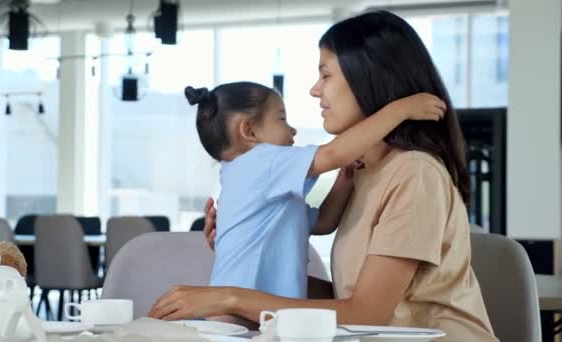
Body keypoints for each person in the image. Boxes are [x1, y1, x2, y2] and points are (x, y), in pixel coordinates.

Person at [150, 10, 499, 342]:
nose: (315, 90)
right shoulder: (361, 176)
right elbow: (349, 302)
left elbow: (366, 314)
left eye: (326, 75)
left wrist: (229, 297)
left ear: (369, 77)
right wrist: (249, 254)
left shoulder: (412, 173)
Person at [183, 82, 442, 301]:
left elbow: (323, 222)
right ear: (249, 131)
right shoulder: (261, 161)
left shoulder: (249, 178)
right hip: (239, 309)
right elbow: (332, 153)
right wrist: (401, 109)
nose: (292, 130)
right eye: (282, 119)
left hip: (249, 306)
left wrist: (345, 176)